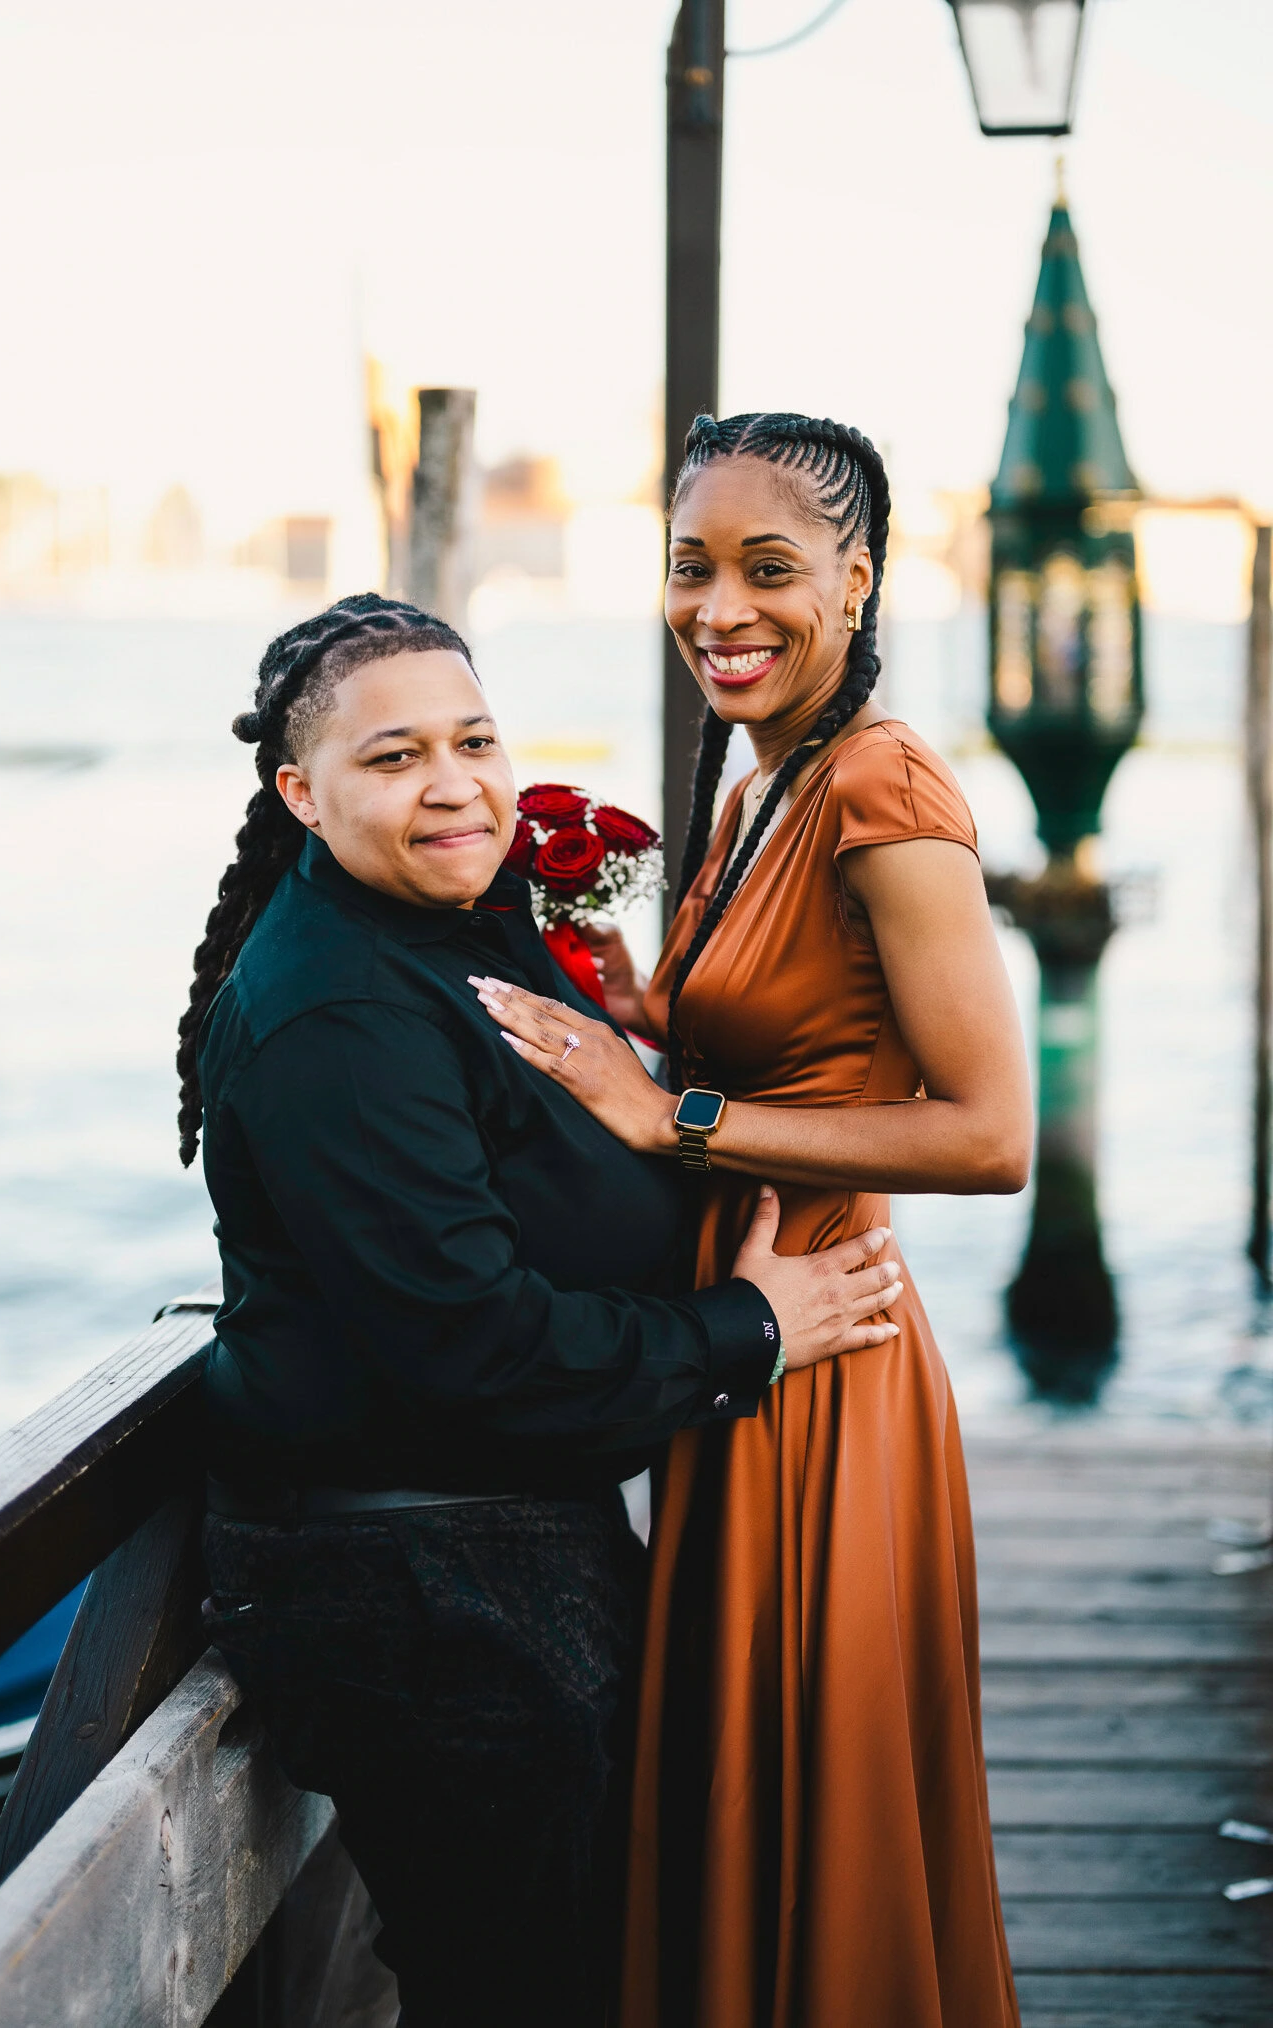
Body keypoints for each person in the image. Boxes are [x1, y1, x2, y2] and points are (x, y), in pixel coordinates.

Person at [174, 591, 904, 2028]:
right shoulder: (341, 1013)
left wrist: (650, 1025)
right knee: (528, 1989)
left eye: (476, 739)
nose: (456, 783)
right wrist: (751, 1332)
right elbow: (474, 1349)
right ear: (298, 793)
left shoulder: (452, 931)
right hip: (429, 1592)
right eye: (393, 759)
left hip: (501, 1557)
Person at [473, 414, 1033, 2028]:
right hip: (731, 1346)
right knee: (736, 1783)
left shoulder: (882, 783)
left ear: (856, 583)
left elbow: (993, 1133)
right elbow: (792, 1035)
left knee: (812, 1804)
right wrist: (646, 1018)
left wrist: (677, 1112)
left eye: (770, 569)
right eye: (691, 566)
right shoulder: (753, 786)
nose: (722, 606)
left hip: (828, 1357)